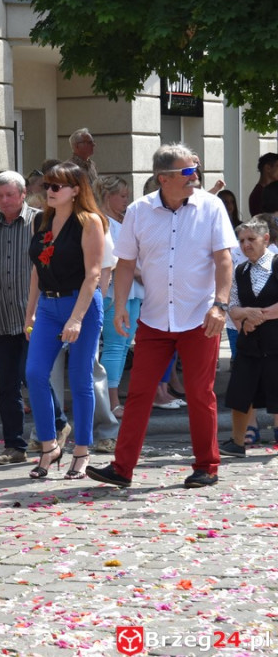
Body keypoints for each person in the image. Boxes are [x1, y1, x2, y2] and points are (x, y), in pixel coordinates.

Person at [88, 143, 237, 489]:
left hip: (201, 318)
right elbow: (125, 263)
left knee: (200, 394)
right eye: (187, 172)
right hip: (154, 319)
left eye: (195, 169)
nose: (195, 177)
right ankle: (122, 469)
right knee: (139, 394)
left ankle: (206, 466)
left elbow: (224, 260)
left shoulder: (212, 207)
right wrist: (120, 305)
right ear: (164, 178)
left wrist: (222, 305)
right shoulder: (140, 211)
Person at [23, 162, 107, 479]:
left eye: (57, 186)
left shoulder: (89, 222)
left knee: (80, 378)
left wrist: (76, 318)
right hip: (47, 306)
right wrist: (29, 311)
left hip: (80, 303)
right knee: (34, 373)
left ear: (75, 190)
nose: (50, 191)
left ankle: (82, 450)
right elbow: (36, 270)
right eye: (47, 185)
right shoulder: (40, 221)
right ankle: (50, 446)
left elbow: (94, 275)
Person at [0, 171, 69, 467]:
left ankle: (57, 424)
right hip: (2, 317)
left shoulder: (40, 221)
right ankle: (14, 445)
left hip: (36, 317)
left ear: (21, 194)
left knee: (34, 376)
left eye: (9, 194)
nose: (4, 200)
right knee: (6, 385)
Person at [220, 219, 278, 457]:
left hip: (275, 341)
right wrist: (245, 315)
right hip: (250, 342)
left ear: (265, 239)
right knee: (240, 392)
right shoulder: (240, 271)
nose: (245, 245)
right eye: (242, 241)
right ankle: (237, 441)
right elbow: (232, 307)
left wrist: (256, 315)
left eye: (251, 240)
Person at [95, 176, 142, 427]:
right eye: (122, 195)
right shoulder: (104, 223)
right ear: (107, 195)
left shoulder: (121, 220)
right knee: (114, 345)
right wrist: (139, 273)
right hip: (114, 290)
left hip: (133, 289)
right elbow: (114, 260)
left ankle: (112, 397)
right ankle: (110, 401)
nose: (126, 200)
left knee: (124, 344)